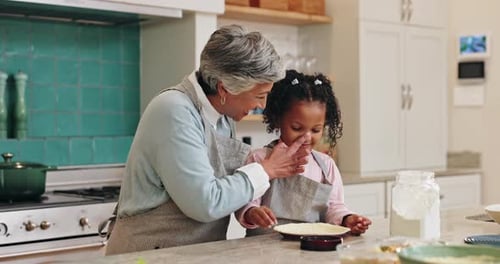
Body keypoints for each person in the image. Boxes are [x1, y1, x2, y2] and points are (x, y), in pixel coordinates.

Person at [105, 25, 311, 255]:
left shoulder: (223, 118)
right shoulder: (174, 110)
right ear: (224, 89)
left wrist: (249, 209)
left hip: (192, 254)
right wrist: (266, 170)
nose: (261, 106)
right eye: (259, 96)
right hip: (146, 255)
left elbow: (228, 189)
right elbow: (205, 203)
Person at [235, 69, 372, 236]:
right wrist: (253, 212)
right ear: (278, 120)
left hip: (309, 249)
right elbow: (245, 202)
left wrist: (347, 219)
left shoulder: (326, 165)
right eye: (297, 128)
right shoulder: (260, 158)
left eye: (316, 130)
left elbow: (334, 207)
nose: (307, 137)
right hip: (263, 251)